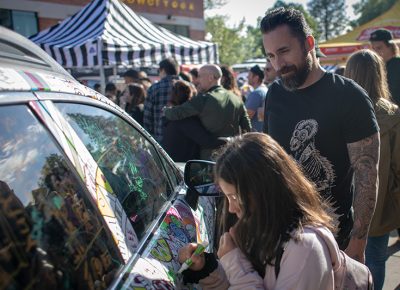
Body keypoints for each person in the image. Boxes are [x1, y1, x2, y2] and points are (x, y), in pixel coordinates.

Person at [261, 7, 380, 263]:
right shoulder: (275, 94)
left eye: (284, 51)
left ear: (309, 43)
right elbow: (270, 162)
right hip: (282, 239)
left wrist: (358, 242)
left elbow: (367, 173)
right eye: (271, 55)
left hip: (335, 241)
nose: (278, 65)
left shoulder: (349, 96)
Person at [178, 133, 339, 289]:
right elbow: (241, 282)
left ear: (263, 191)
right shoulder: (263, 231)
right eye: (227, 198)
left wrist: (234, 261)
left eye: (235, 197)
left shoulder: (304, 250)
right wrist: (205, 268)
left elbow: (245, 281)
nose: (232, 209)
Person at [344, 49, 400, 290]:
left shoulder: (339, 111)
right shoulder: (393, 115)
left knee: (341, 262)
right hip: (379, 204)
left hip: (341, 205)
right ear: (380, 75)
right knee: (375, 259)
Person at [163, 64, 251, 160]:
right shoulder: (237, 99)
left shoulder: (204, 99)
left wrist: (165, 110)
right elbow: (247, 129)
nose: (197, 80)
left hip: (208, 159)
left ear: (210, 78)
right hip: (232, 156)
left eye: (200, 76)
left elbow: (174, 114)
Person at [162, 80, 225, 162]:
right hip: (182, 167)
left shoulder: (173, 115)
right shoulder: (185, 120)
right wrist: (228, 140)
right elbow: (207, 141)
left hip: (174, 163)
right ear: (190, 96)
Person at [143, 57, 179, 143]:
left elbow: (147, 117)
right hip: (184, 139)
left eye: (158, 71)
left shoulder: (154, 88)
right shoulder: (190, 87)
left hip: (160, 138)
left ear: (163, 70)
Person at [370, 28, 400, 106]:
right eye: (373, 49)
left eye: (379, 48)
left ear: (390, 46)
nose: (375, 52)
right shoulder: (375, 67)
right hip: (386, 114)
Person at [245, 65, 268, 132]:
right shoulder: (265, 90)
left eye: (249, 75)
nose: (247, 77)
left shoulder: (257, 93)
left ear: (256, 78)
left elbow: (247, 116)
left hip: (255, 135)